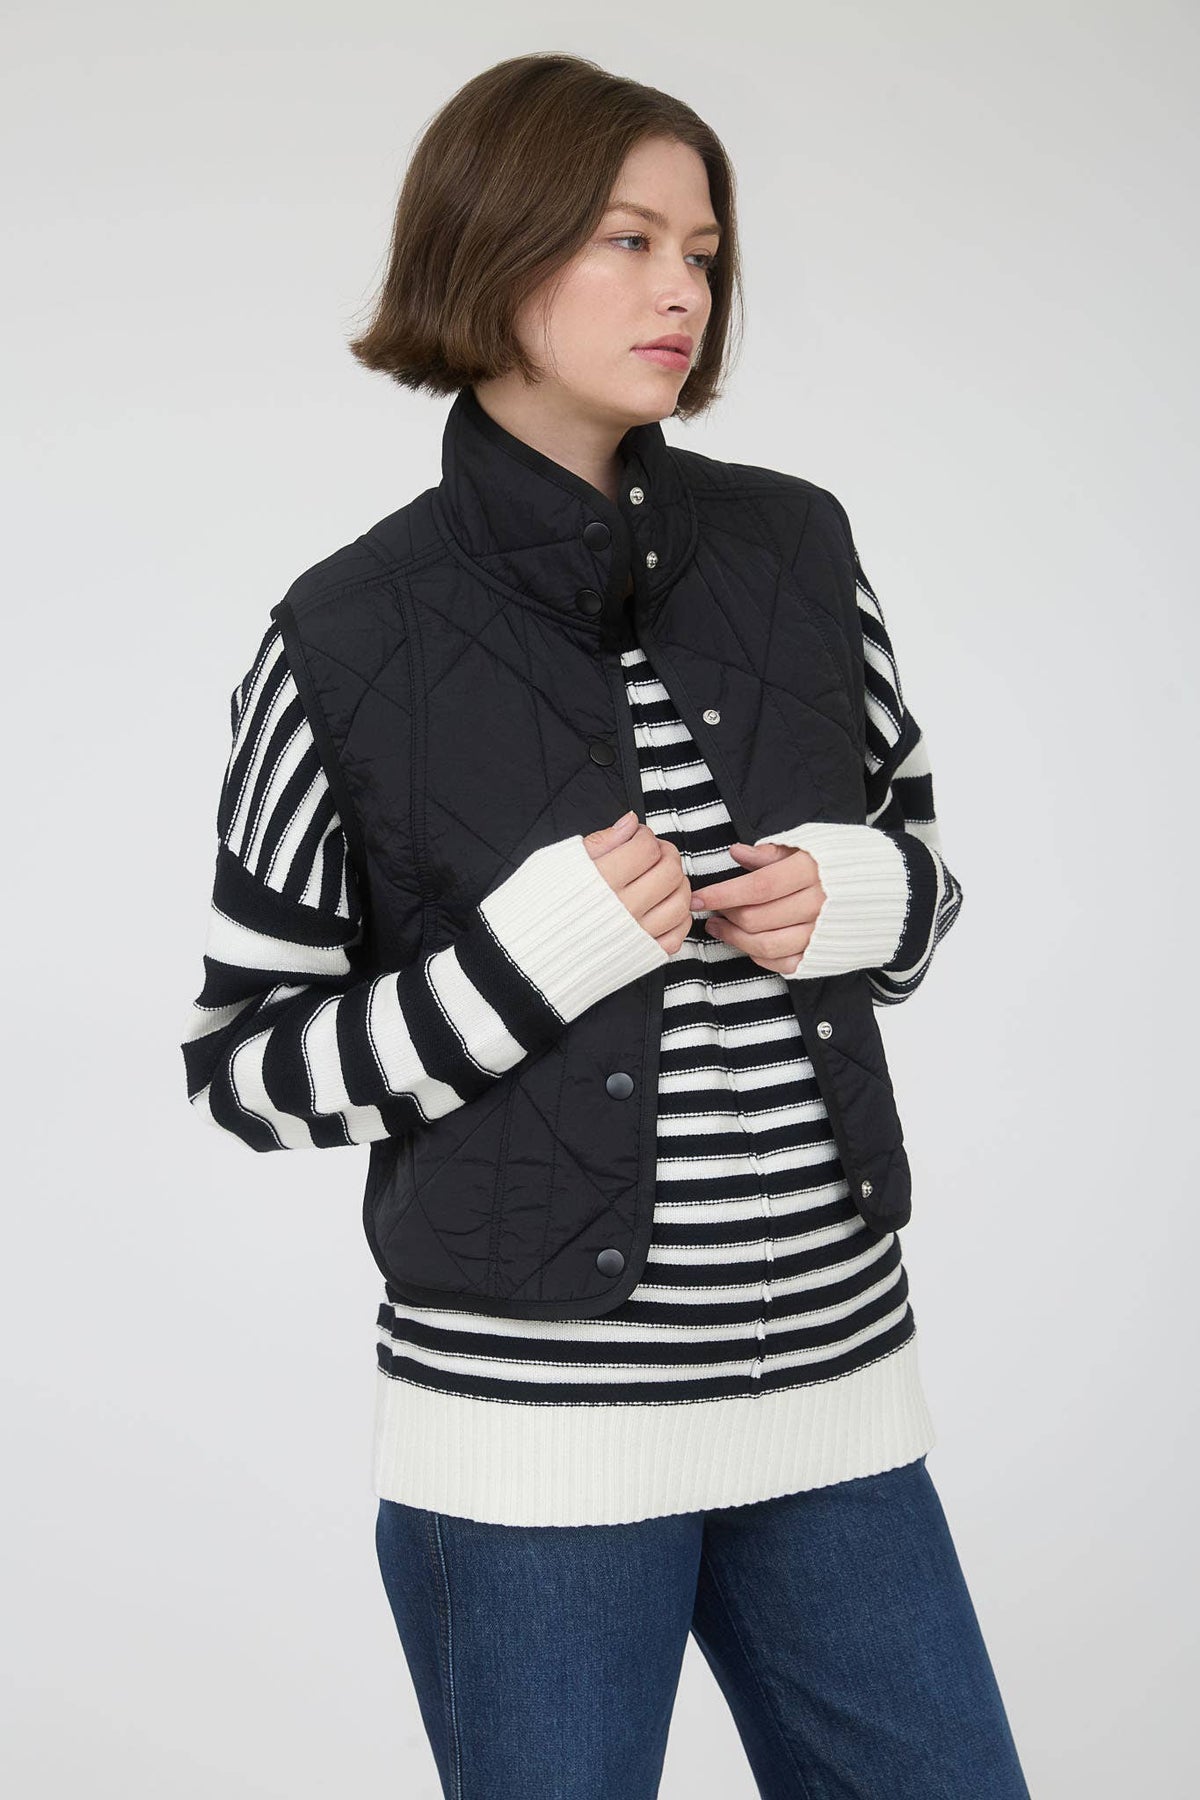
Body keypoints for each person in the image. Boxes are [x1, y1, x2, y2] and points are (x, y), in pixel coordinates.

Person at [181, 50, 1031, 1800]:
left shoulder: (799, 551)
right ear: (491, 250)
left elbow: (923, 871)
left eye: (703, 251)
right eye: (628, 240)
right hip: (533, 1463)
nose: (682, 291)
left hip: (834, 1400)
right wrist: (521, 966)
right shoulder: (343, 635)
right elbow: (247, 1066)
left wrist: (861, 896)